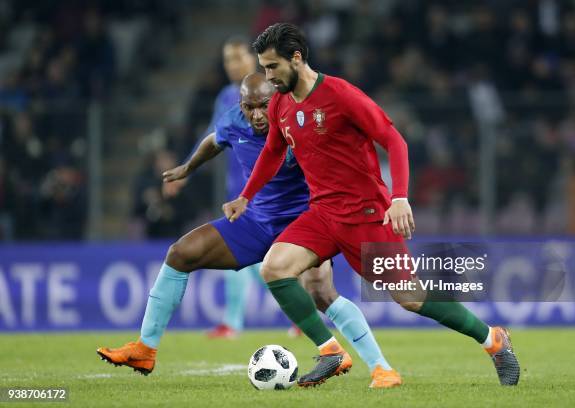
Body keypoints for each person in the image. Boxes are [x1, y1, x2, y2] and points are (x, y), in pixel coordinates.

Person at [223, 23, 520, 387]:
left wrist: (398, 198)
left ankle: (493, 340)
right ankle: (331, 351)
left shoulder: (341, 95)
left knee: (409, 296)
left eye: (272, 67)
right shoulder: (282, 103)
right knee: (275, 268)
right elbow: (271, 152)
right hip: (322, 214)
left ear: (296, 59)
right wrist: (246, 195)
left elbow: (395, 141)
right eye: (264, 68)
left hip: (366, 216)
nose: (267, 76)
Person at [97, 73, 402, 389]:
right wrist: (189, 167)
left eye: (263, 106)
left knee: (320, 291)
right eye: (248, 107)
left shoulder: (296, 123)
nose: (256, 115)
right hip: (255, 221)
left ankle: (380, 367)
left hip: (304, 223)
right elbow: (214, 140)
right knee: (180, 253)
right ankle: (145, 349)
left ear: (277, 101)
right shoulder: (233, 120)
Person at [171, 36, 260, 339]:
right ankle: (234, 322)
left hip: (264, 192)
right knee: (245, 261)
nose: (232, 66)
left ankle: (304, 311)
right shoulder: (225, 97)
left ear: (253, 58)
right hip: (235, 192)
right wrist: (187, 170)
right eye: (227, 60)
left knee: (263, 262)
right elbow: (211, 137)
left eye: (238, 58)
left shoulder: (269, 91)